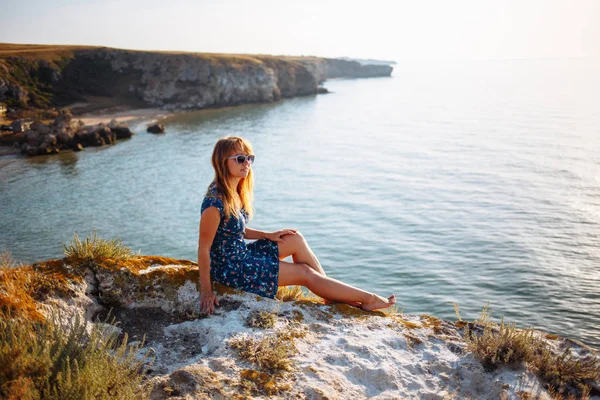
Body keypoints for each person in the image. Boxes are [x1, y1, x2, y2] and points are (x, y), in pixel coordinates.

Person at [198, 136, 396, 315]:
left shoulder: (234, 191)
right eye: (240, 159)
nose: (247, 163)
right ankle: (368, 298)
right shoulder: (215, 202)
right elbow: (204, 248)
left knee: (294, 238)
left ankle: (329, 293)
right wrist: (207, 291)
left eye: (250, 158)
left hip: (241, 255)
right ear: (222, 162)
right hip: (231, 268)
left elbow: (231, 231)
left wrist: (267, 235)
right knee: (305, 273)